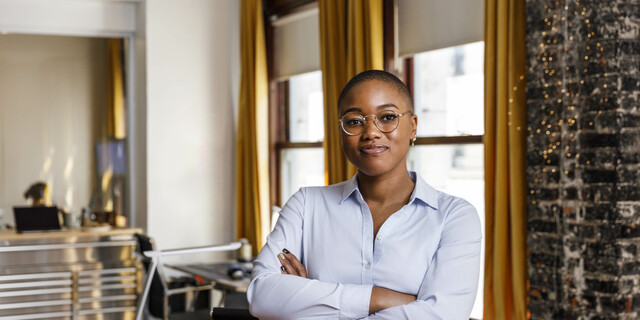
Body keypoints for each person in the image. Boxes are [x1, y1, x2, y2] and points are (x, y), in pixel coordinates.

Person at [247, 70, 481, 319]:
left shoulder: (454, 217)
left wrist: (307, 301)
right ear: (340, 131)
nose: (371, 132)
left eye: (388, 117)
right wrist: (380, 298)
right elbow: (262, 296)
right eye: (354, 121)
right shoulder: (306, 205)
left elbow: (443, 315)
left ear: (412, 127)